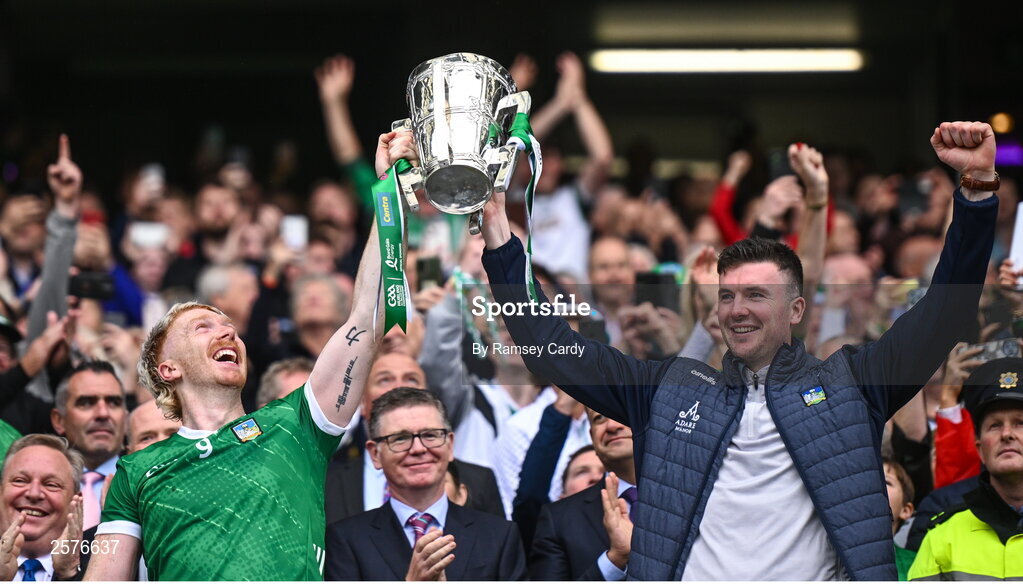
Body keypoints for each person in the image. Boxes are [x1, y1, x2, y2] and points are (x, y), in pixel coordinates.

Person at [480, 123, 999, 579]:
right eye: (727, 296)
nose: (736, 310)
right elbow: (553, 353)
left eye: (756, 296)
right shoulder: (668, 391)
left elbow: (944, 316)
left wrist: (975, 192)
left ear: (797, 310)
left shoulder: (852, 385)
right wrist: (500, 238)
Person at [84, 129, 416, 581]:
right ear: (168, 367)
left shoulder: (295, 426)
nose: (228, 333)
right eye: (204, 327)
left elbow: (366, 318)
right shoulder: (135, 471)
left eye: (231, 328)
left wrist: (387, 192)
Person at [325, 388, 527, 581]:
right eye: (400, 438)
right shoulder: (346, 540)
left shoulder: (499, 535)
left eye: (430, 435)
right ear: (375, 454)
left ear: (450, 445)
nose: (418, 448)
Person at [908, 358, 1023, 580]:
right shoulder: (942, 535)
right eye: (995, 425)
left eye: (1020, 423)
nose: (1007, 434)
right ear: (979, 448)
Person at [530, 408, 638, 580]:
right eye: (599, 418)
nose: (612, 425)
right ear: (592, 436)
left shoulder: (689, 500)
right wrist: (614, 560)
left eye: (622, 414)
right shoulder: (558, 519)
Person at [49, 361, 127, 531]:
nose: (103, 413)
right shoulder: (36, 487)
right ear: (59, 420)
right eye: (86, 403)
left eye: (113, 402)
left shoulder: (145, 483)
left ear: (125, 417)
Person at [0, 434, 84, 581]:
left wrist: (68, 576)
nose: (34, 494)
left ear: (76, 501)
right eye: (20, 481)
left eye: (51, 484)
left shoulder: (102, 564)